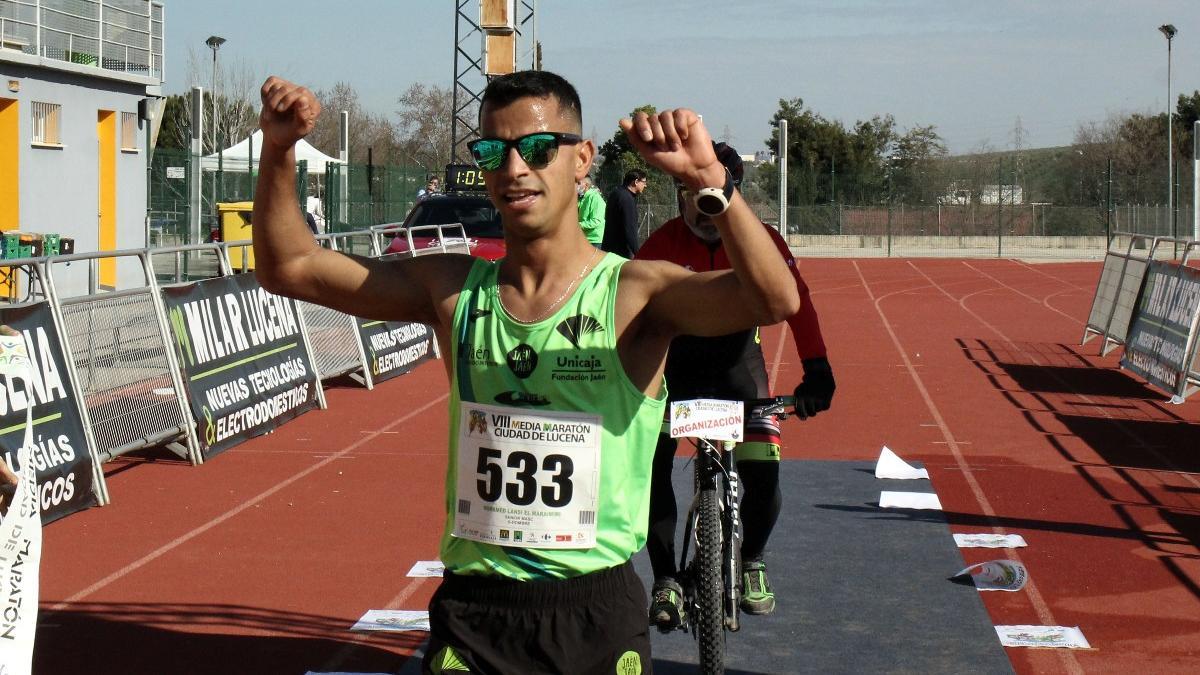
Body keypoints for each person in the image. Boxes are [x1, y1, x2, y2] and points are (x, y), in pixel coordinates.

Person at [252, 70, 800, 675]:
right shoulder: (453, 289)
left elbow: (774, 299)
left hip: (594, 612)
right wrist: (278, 149)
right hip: (475, 611)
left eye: (537, 149)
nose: (514, 167)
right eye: (493, 150)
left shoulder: (633, 293)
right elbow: (291, 267)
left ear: (581, 159)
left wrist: (708, 184)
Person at [635, 142, 836, 630]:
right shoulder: (659, 244)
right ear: (679, 193)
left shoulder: (762, 240)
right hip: (675, 371)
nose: (703, 209)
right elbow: (630, 318)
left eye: (714, 195)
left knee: (764, 478)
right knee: (649, 473)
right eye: (691, 194)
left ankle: (753, 560)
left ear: (734, 193)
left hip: (739, 370)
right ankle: (665, 579)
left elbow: (799, 303)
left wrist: (817, 368)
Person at [601, 168, 647, 257]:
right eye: (644, 182)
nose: (645, 185)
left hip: (608, 250)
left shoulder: (616, 193)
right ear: (636, 182)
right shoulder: (627, 199)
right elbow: (630, 229)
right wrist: (639, 253)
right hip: (620, 254)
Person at [576, 175, 606, 246]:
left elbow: (597, 221)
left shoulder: (595, 198)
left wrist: (577, 225)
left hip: (594, 240)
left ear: (586, 185)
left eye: (579, 183)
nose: (576, 185)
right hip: (582, 238)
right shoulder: (579, 198)